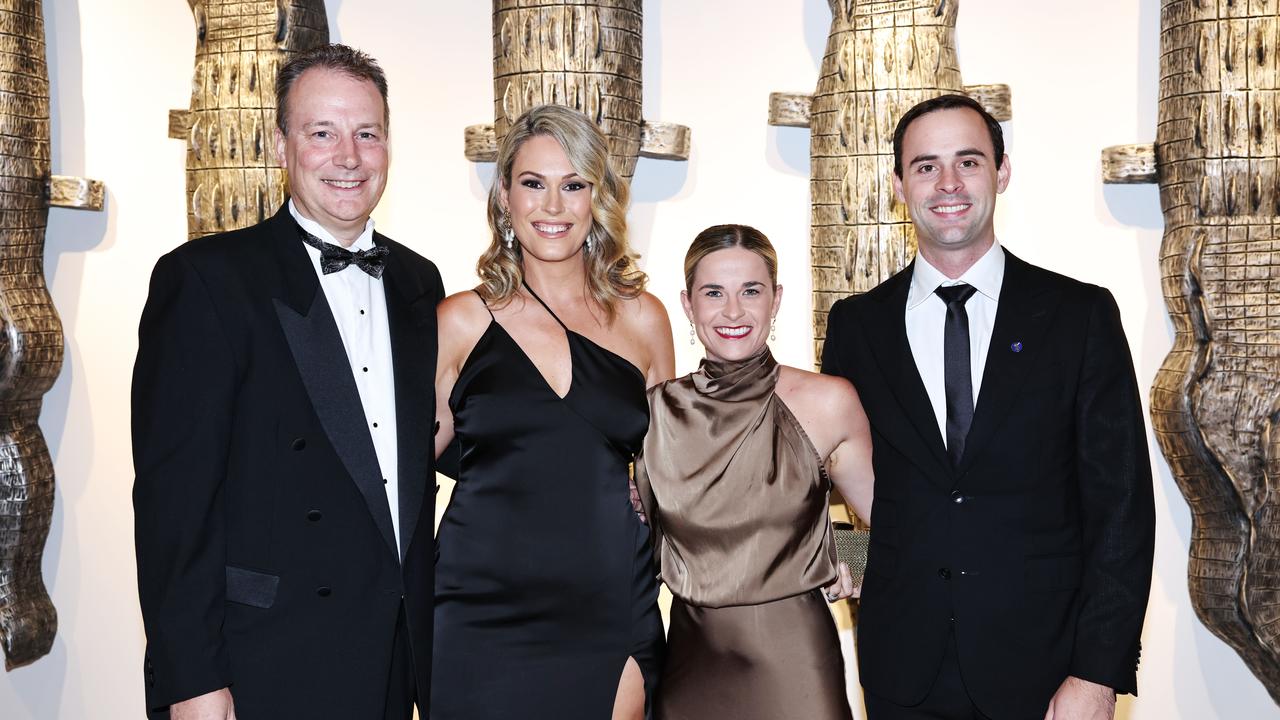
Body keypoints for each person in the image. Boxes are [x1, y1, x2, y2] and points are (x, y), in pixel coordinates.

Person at [821, 94, 1156, 719]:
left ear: (1001, 172)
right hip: (902, 674)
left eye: (968, 162)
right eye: (925, 166)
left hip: (1047, 674)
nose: (948, 184)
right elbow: (846, 482)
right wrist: (860, 565)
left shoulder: (1078, 317)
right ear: (899, 184)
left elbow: (1121, 509)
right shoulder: (856, 328)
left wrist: (1097, 675)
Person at [132, 44, 442, 720]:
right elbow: (172, 507)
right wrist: (191, 682)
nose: (348, 156)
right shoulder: (208, 281)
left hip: (391, 657)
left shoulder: (420, 285)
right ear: (280, 145)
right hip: (263, 661)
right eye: (321, 133)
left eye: (367, 133)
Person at [431, 104, 674, 720]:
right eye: (533, 184)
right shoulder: (459, 320)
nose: (553, 206)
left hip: (610, 602)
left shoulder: (644, 319)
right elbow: (392, 475)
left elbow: (679, 474)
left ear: (599, 197)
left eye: (574, 185)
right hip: (477, 612)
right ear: (505, 198)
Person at [633, 224, 873, 720]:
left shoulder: (829, 402)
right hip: (691, 666)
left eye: (751, 291)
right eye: (714, 293)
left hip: (797, 669)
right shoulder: (653, 414)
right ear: (687, 303)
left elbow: (896, 531)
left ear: (776, 299)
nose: (734, 312)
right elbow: (627, 542)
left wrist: (840, 556)